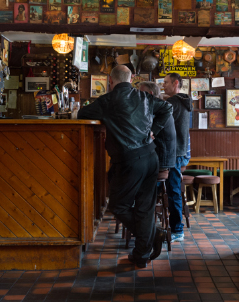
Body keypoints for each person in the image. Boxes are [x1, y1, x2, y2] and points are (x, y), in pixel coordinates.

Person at [78, 66, 172, 268]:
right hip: (151, 156)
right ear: (131, 80)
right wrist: (153, 131)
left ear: (110, 81)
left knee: (118, 206)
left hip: (130, 160)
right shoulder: (144, 97)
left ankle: (153, 236)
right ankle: (141, 255)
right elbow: (167, 108)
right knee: (144, 207)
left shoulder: (108, 100)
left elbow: (81, 114)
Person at [162, 73, 192, 242]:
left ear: (175, 83)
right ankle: (175, 228)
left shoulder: (172, 103)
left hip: (172, 153)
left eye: (166, 82)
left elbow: (160, 125)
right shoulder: (184, 101)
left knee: (173, 191)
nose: (163, 85)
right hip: (180, 152)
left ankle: (177, 230)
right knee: (174, 191)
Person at [138, 81, 176, 172]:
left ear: (150, 94)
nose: (138, 96)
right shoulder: (160, 108)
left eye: (141, 93)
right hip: (164, 156)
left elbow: (148, 133)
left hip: (161, 158)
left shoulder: (159, 111)